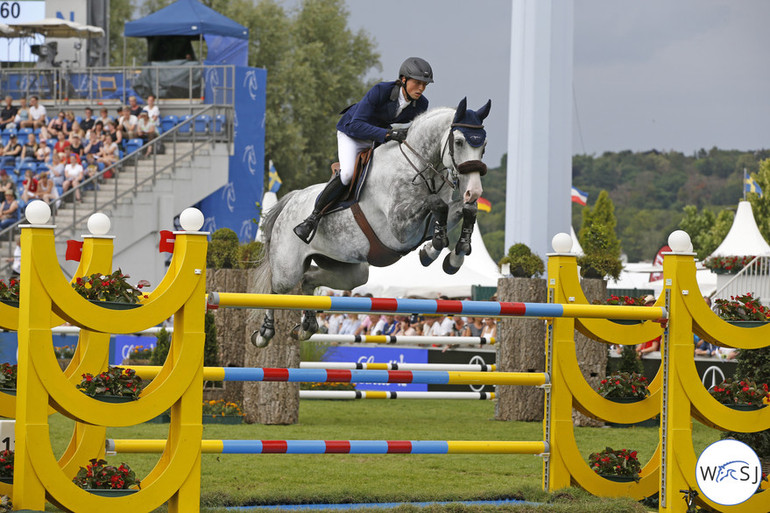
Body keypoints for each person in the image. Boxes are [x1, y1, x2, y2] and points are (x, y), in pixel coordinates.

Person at [293, 57, 433, 243]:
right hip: (351, 133)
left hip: (376, 138)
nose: (421, 89)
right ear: (403, 79)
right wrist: (389, 134)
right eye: (417, 83)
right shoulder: (381, 91)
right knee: (348, 175)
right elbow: (357, 124)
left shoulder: (422, 105)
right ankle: (312, 218)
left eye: (425, 85)